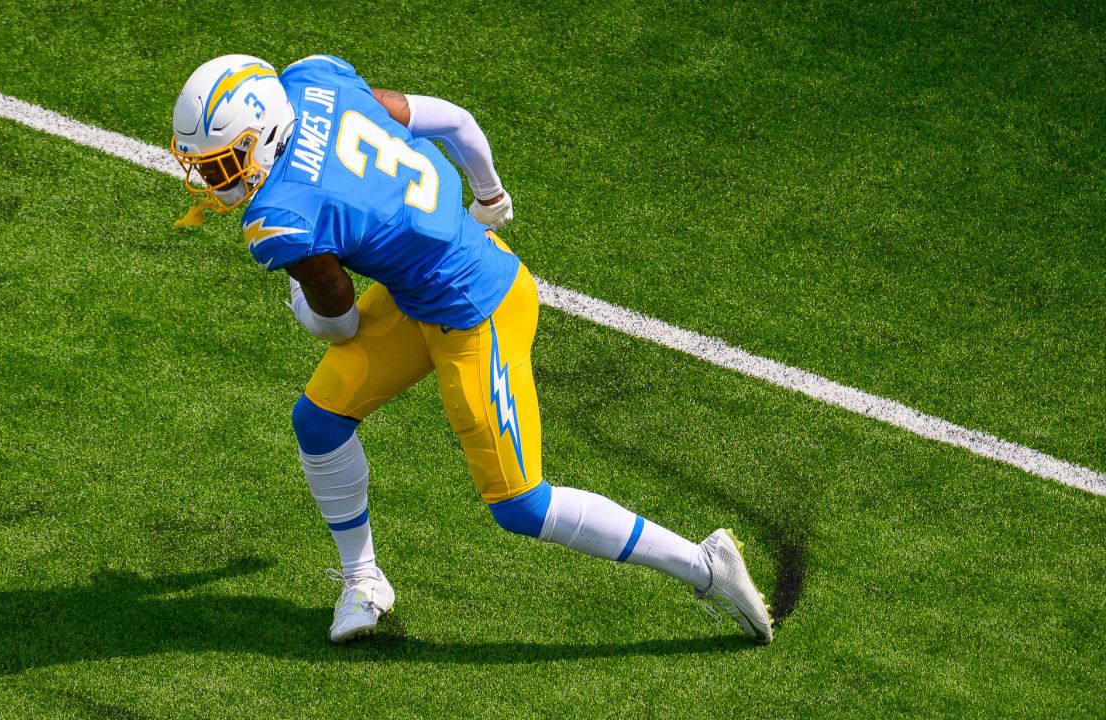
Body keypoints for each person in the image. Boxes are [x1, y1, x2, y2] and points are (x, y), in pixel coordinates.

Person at [168, 54, 774, 645]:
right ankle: (363, 579)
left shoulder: (281, 215)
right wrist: (490, 198)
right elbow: (457, 122)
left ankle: (704, 564)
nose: (211, 182)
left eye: (222, 165)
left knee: (521, 506)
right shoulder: (314, 80)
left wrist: (303, 307)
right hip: (422, 287)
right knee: (319, 422)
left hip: (477, 307)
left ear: (264, 137)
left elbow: (340, 322)